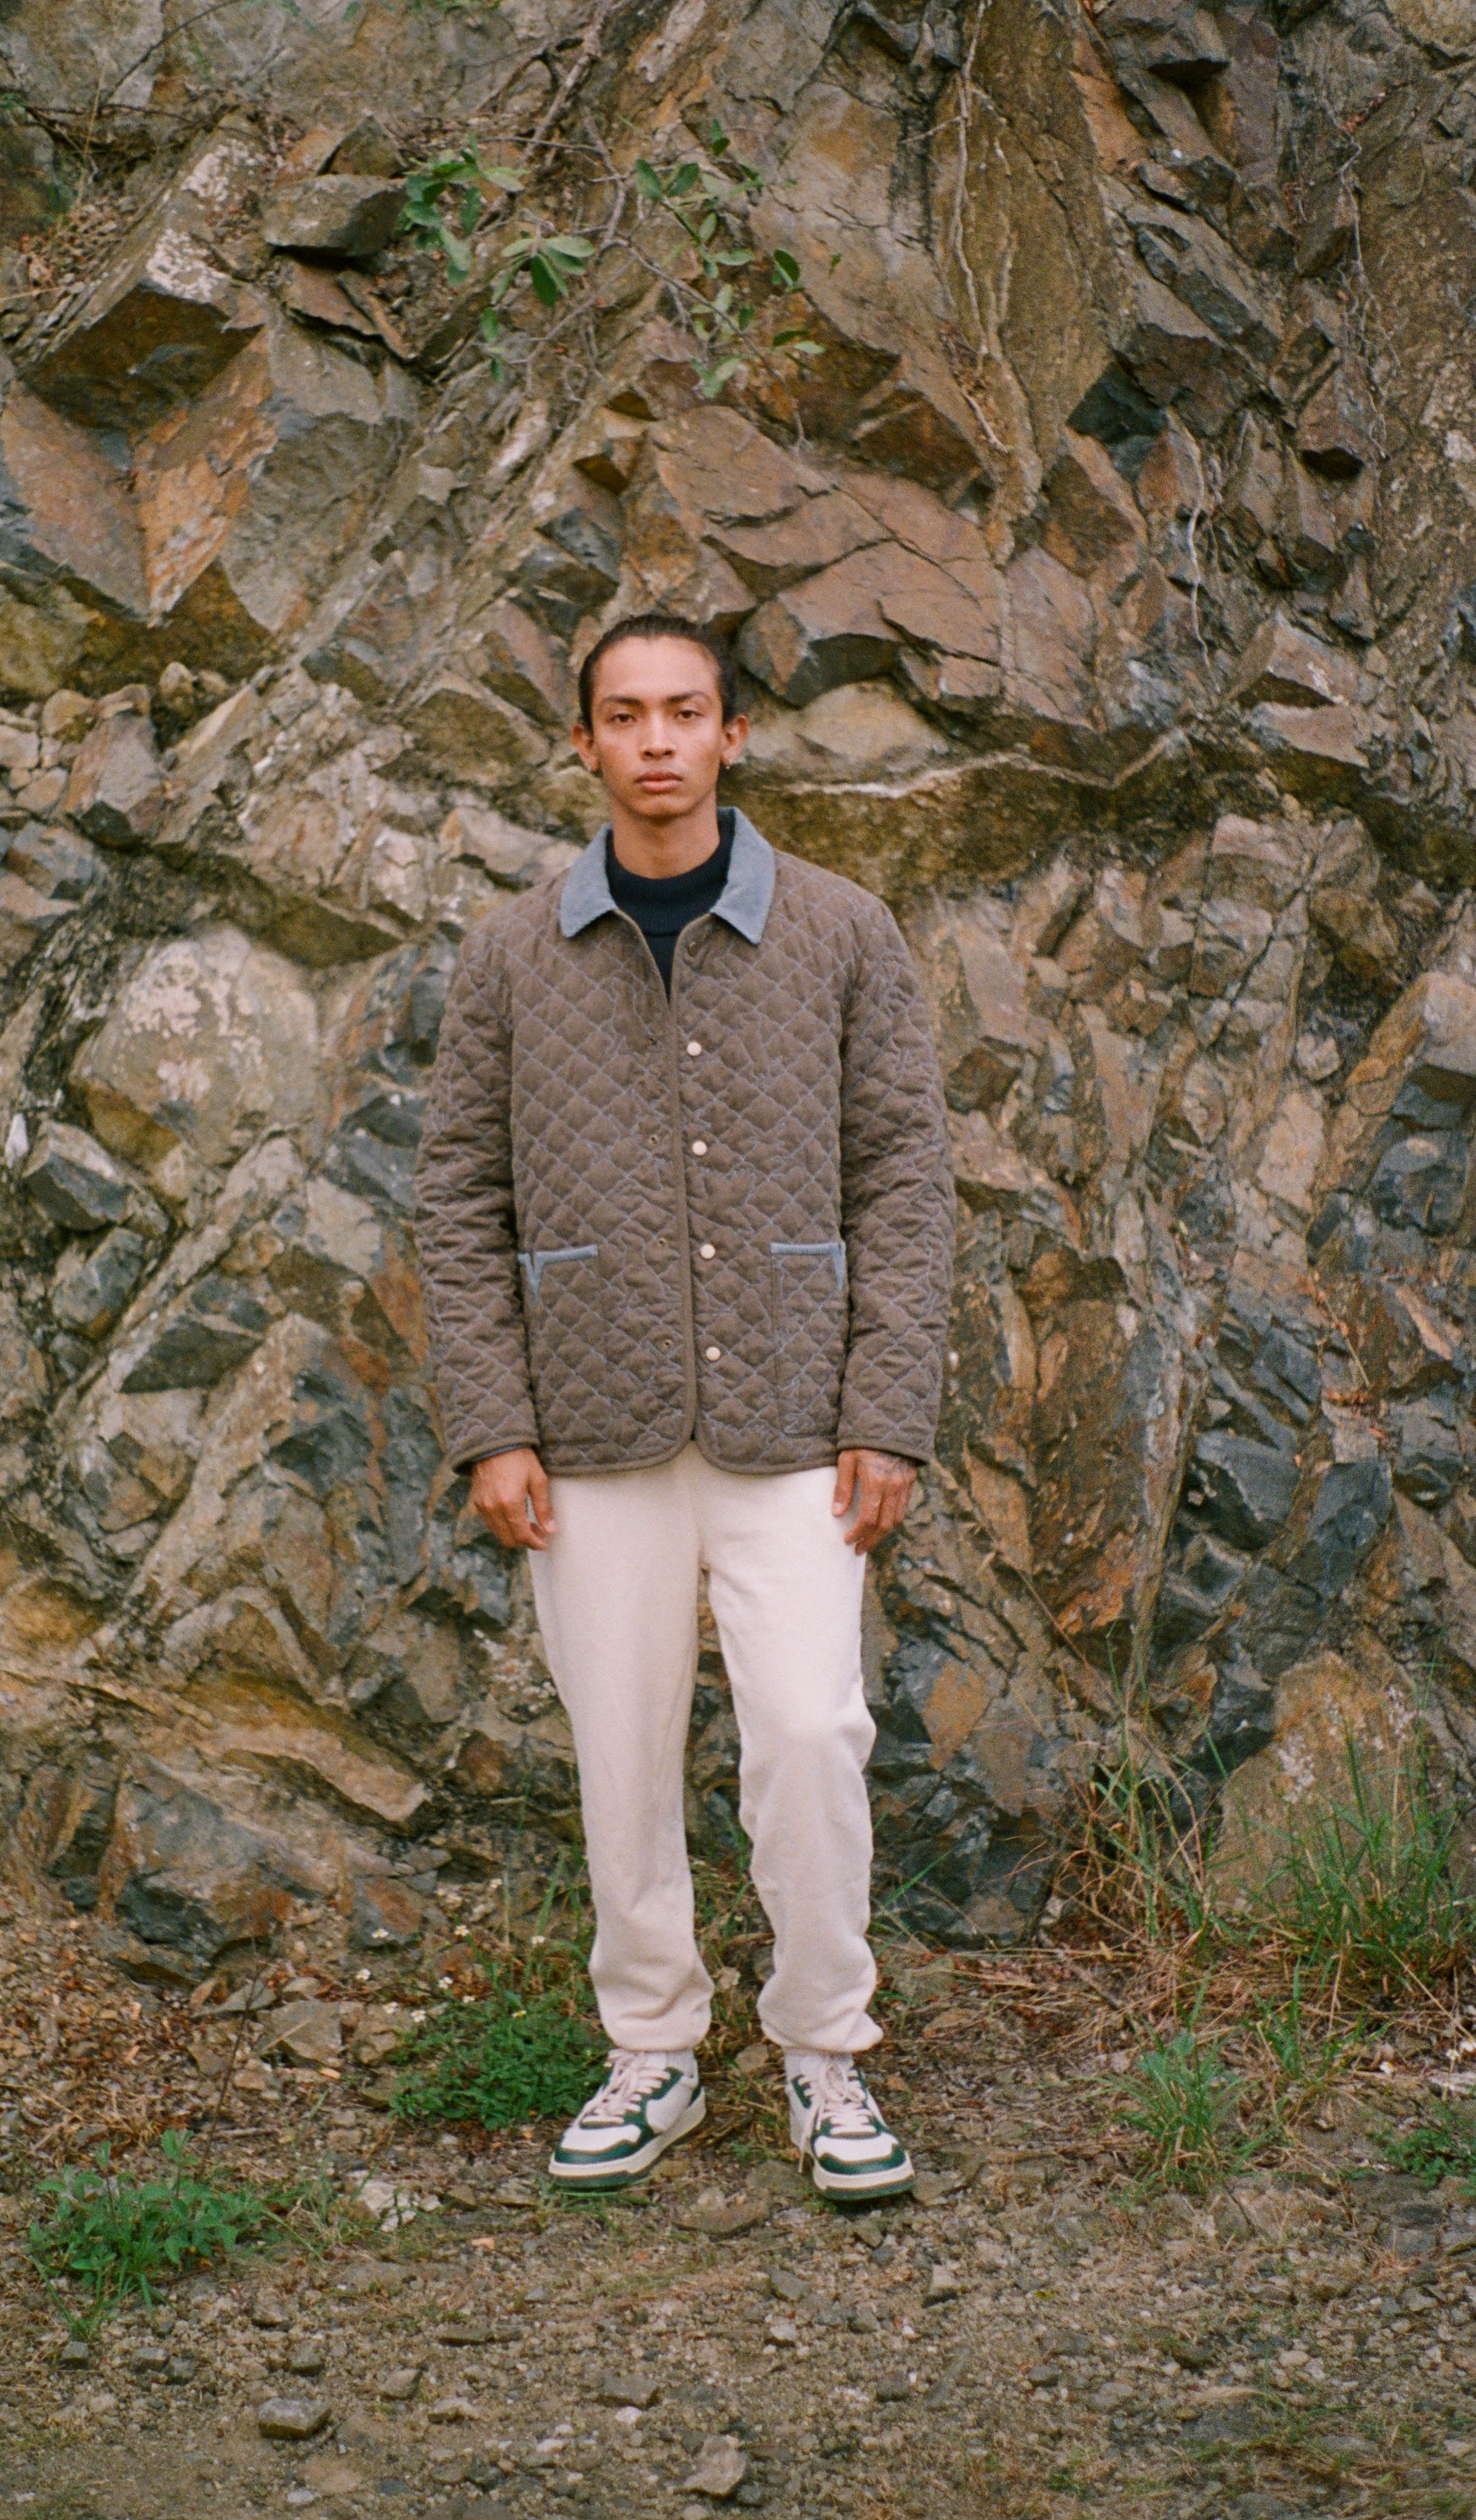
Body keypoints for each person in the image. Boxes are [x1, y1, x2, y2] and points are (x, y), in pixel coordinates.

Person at [414, 611, 953, 2198]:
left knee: (807, 1731)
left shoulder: (847, 932)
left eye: (687, 711)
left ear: (734, 735)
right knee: (621, 1757)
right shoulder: (513, 953)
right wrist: (490, 1422)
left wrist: (891, 1406)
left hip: (800, 1414)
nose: (657, 739)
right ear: (581, 745)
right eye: (625, 715)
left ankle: (825, 2056)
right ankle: (651, 2047)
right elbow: (458, 1197)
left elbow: (908, 1180)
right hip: (585, 1426)